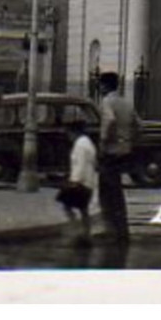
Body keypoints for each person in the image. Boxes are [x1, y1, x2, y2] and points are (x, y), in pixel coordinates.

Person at [97, 71, 135, 244]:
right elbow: (138, 124)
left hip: (110, 151)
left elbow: (110, 121)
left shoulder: (107, 102)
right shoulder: (126, 103)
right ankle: (122, 230)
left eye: (100, 85)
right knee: (117, 192)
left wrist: (103, 142)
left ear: (104, 86)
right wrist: (130, 141)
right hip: (124, 150)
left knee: (107, 193)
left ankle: (111, 230)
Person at [56, 117, 96, 245]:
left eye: (69, 133)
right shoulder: (88, 143)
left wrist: (74, 181)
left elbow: (80, 164)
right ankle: (86, 233)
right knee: (83, 209)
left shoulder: (80, 145)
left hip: (80, 183)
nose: (68, 137)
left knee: (66, 205)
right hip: (88, 182)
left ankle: (77, 231)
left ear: (74, 132)